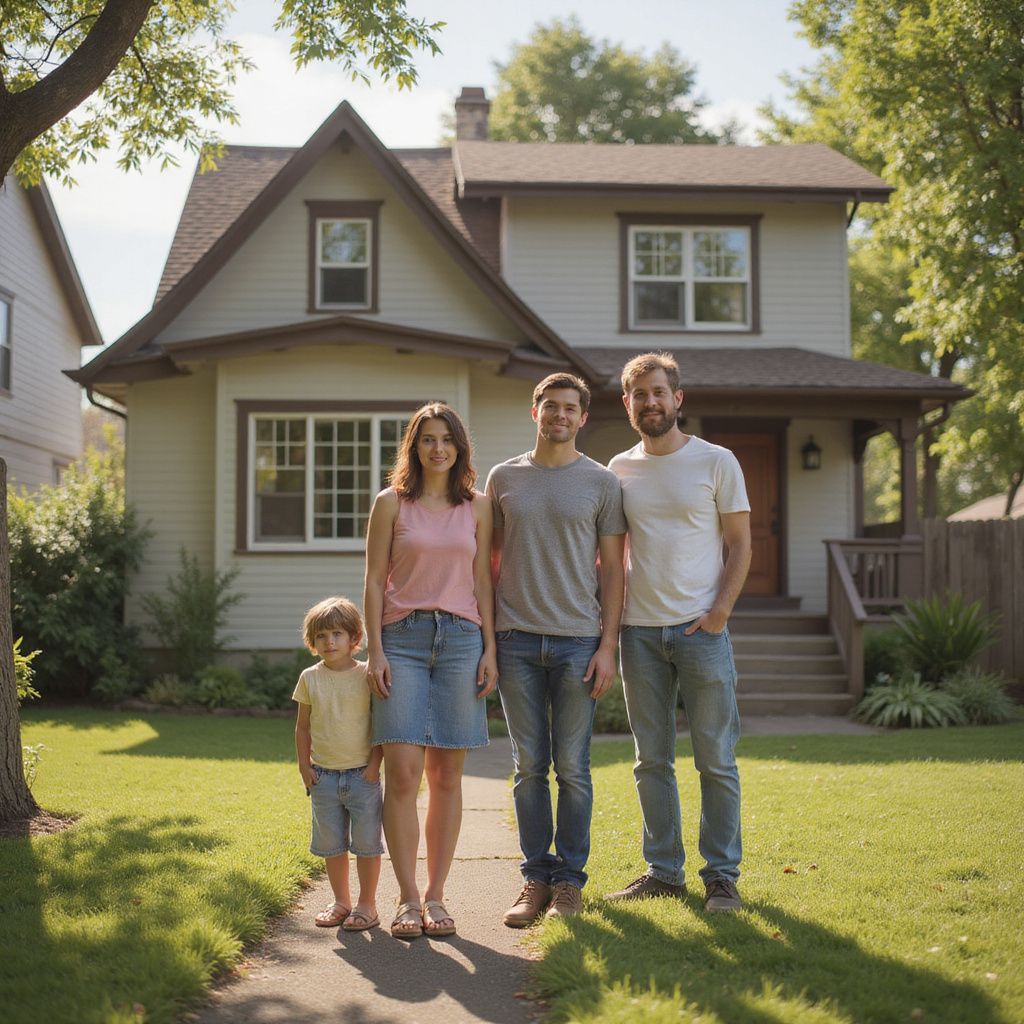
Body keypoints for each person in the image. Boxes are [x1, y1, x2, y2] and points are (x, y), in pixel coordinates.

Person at [606, 351, 752, 913]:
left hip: (701, 633)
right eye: (639, 395)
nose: (650, 402)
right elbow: (612, 558)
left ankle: (721, 876)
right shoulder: (618, 470)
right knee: (651, 760)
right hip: (639, 634)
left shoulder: (718, 462)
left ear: (677, 399)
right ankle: (663, 871)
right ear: (628, 404)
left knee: (716, 759)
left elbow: (740, 545)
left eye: (658, 393)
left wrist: (718, 614)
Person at [486, 372, 626, 926]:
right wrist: (488, 643)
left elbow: (615, 569)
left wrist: (608, 644)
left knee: (573, 768)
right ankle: (533, 878)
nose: (560, 415)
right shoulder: (503, 479)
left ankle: (569, 882)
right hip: (515, 639)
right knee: (528, 768)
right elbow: (486, 563)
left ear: (583, 417)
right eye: (551, 406)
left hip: (578, 641)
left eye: (571, 408)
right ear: (535, 410)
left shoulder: (601, 483)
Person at [363, 403, 497, 940]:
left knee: (447, 776)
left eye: (446, 439)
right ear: (414, 447)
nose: (437, 448)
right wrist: (375, 650)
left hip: (463, 643)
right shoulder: (390, 504)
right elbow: (374, 580)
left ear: (459, 447)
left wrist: (491, 649)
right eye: (427, 440)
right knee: (402, 772)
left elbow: (484, 582)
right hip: (404, 641)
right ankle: (407, 898)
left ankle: (438, 897)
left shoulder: (479, 507)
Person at [293, 596, 383, 931]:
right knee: (333, 846)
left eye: (337, 634)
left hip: (363, 777)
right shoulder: (309, 678)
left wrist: (374, 766)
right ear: (312, 642)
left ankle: (367, 904)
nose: (329, 642)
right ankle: (341, 902)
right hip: (324, 778)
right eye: (321, 636)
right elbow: (302, 727)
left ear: (354, 638)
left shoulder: (366, 676)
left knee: (367, 844)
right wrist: (305, 766)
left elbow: (380, 726)